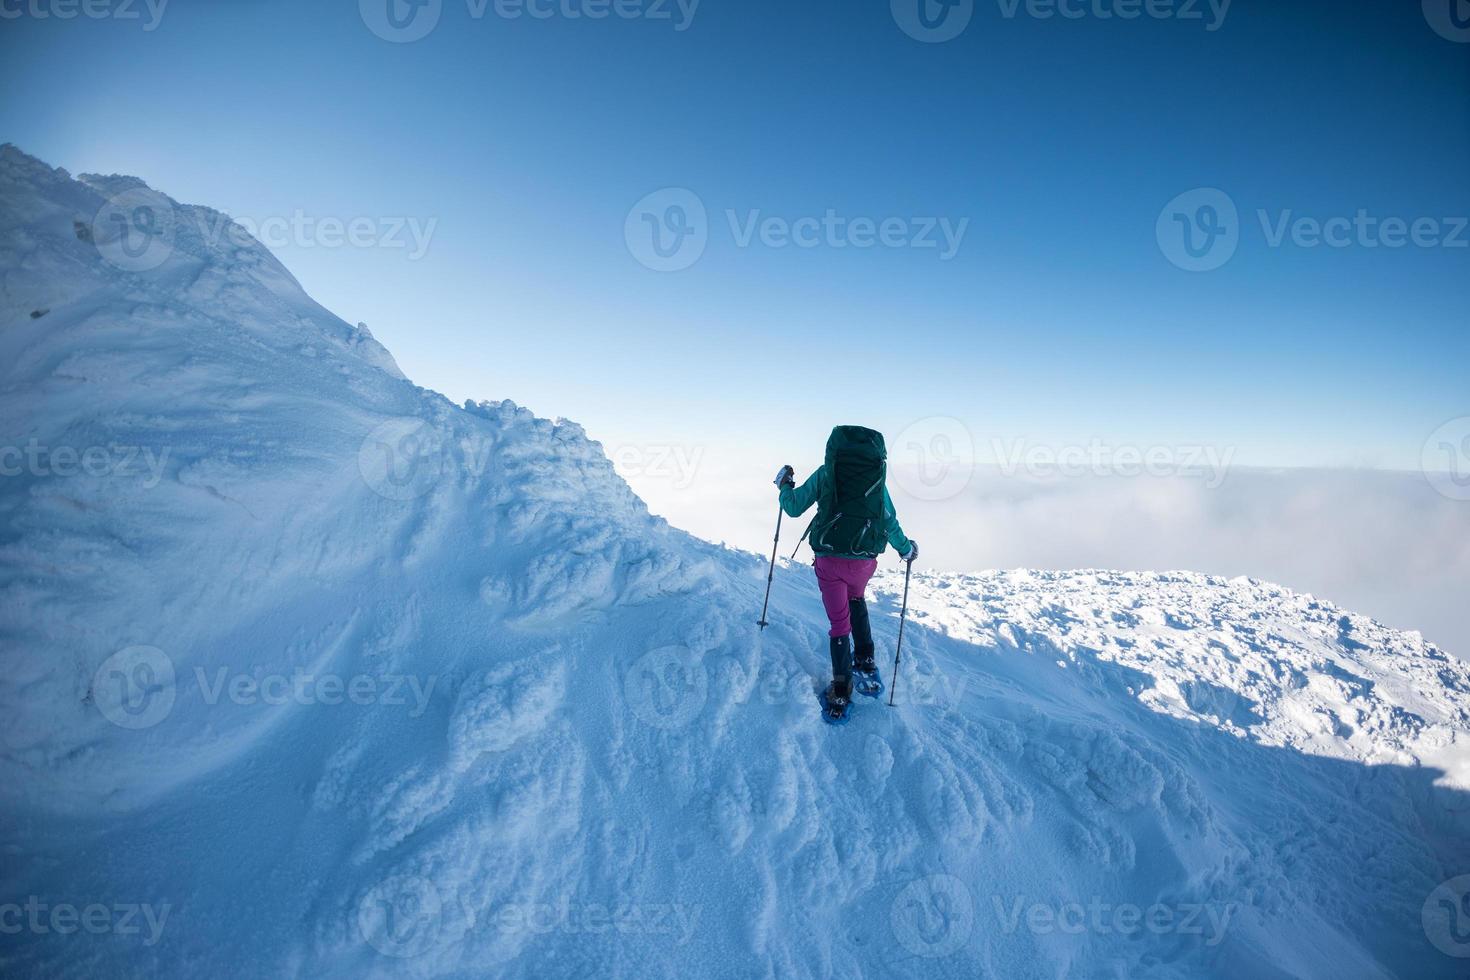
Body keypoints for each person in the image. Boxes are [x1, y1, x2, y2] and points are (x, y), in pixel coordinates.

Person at [775, 425, 917, 721]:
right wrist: (906, 549)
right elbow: (889, 521)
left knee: (839, 624)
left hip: (830, 560)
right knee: (857, 598)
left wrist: (784, 486)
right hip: (864, 561)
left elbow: (793, 508)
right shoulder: (875, 481)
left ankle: (841, 691)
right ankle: (865, 659)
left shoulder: (826, 473)